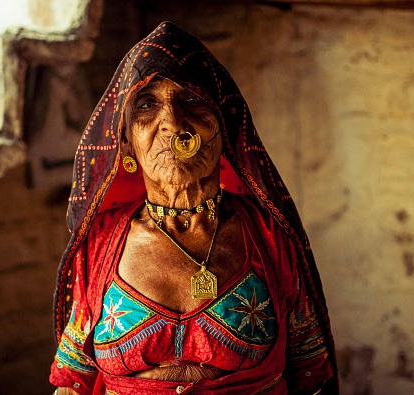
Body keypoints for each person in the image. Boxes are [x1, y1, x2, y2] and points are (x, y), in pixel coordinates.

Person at [49, 21, 337, 395]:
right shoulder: (101, 244)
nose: (172, 123)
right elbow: (73, 381)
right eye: (146, 105)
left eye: (193, 100)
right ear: (126, 141)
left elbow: (312, 374)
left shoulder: (267, 235)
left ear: (224, 125)